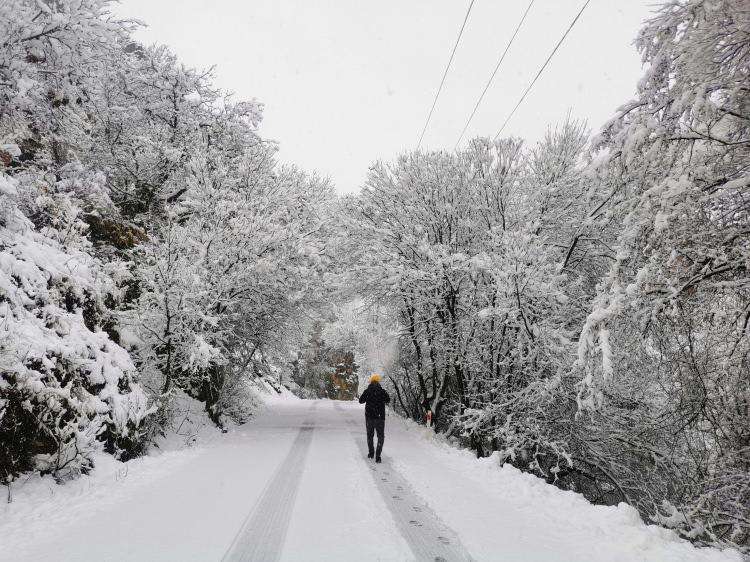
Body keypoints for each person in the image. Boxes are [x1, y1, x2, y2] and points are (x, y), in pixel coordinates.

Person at [358, 374, 390, 462]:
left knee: (370, 435)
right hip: (380, 418)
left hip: (369, 417)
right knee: (380, 436)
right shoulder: (382, 391)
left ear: (371, 382)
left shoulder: (367, 391)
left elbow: (360, 401)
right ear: (378, 382)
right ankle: (378, 456)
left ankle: (371, 453)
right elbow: (388, 400)